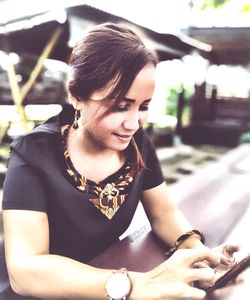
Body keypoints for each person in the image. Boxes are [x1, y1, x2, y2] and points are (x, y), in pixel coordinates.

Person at [1, 22, 237, 300]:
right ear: (76, 96)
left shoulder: (137, 147)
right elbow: (26, 271)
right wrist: (135, 285)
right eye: (121, 107)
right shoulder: (33, 154)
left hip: (110, 272)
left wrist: (198, 253)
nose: (134, 123)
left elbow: (163, 213)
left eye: (144, 106)